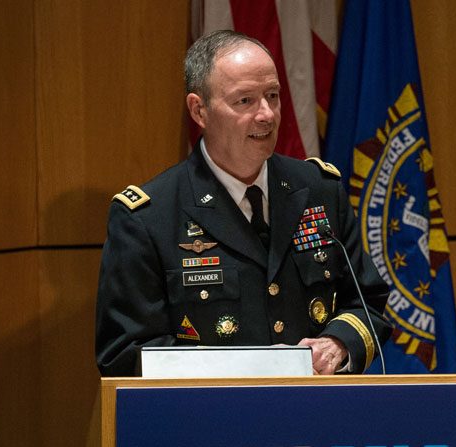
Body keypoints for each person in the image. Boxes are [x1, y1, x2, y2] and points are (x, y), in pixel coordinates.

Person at [95, 30, 392, 377]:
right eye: (245, 101)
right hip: (207, 423)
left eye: (272, 95)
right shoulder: (149, 217)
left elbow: (369, 303)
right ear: (199, 110)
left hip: (316, 417)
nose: (266, 114)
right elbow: (125, 354)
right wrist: (255, 367)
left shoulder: (319, 190)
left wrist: (339, 344)